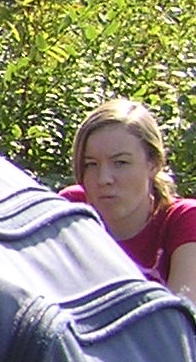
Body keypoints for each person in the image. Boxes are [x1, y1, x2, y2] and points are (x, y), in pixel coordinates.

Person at [63, 98, 196, 303]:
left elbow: (183, 317)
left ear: (153, 164)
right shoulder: (71, 210)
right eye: (91, 164)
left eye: (120, 163)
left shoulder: (183, 220)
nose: (104, 179)